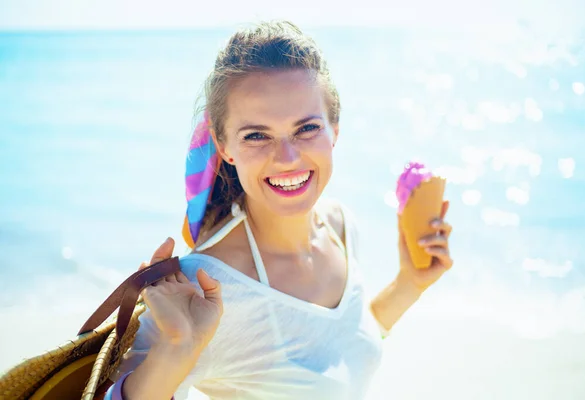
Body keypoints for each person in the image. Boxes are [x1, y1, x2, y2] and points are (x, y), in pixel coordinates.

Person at [104, 20, 453, 400]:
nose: (287, 158)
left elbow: (337, 349)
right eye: (257, 135)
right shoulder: (203, 290)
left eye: (307, 129)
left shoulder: (340, 225)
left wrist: (409, 284)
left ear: (335, 129)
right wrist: (175, 350)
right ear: (224, 148)